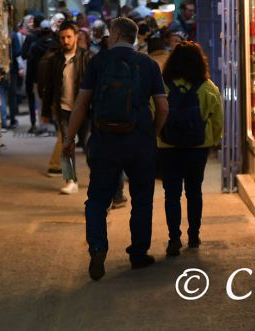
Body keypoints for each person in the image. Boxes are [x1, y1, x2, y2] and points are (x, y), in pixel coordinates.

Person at [65, 17, 168, 280]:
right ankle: (138, 253)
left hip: (104, 140)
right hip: (140, 141)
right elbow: (163, 107)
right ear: (133, 37)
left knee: (98, 200)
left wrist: (69, 138)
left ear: (115, 34)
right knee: (142, 199)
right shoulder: (148, 65)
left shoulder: (98, 63)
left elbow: (81, 104)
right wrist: (152, 134)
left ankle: (98, 248)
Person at [158, 41, 223, 256]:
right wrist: (213, 140)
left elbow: (154, 113)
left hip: (168, 146)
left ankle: (174, 238)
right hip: (198, 147)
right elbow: (217, 120)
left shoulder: (163, 86)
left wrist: (155, 136)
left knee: (171, 194)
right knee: (194, 191)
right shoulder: (208, 88)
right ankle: (193, 235)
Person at [40, 21, 92, 194]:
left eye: (69, 37)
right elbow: (48, 87)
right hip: (63, 109)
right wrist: (46, 111)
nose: (66, 40)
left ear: (76, 37)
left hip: (85, 109)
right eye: (62, 37)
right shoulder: (54, 60)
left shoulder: (88, 57)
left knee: (89, 145)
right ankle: (71, 180)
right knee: (66, 145)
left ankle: (99, 176)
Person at [24, 15, 61, 135]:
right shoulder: (56, 46)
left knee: (39, 102)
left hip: (37, 79)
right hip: (53, 79)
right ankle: (55, 124)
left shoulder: (35, 46)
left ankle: (43, 125)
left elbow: (28, 60)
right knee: (54, 100)